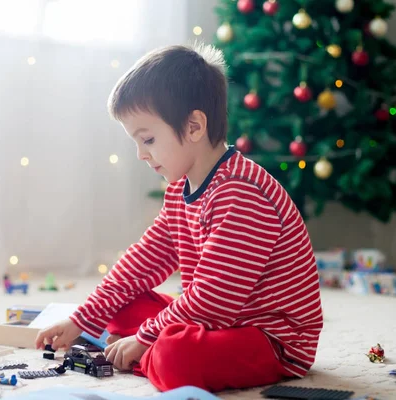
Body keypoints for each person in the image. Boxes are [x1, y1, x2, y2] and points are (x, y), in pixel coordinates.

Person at [35, 43, 323, 392]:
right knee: (120, 306)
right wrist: (82, 318)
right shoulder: (179, 190)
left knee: (174, 356)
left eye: (149, 139)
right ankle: (150, 351)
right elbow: (142, 262)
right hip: (217, 320)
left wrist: (145, 338)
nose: (141, 154)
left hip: (269, 339)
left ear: (194, 126)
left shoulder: (242, 193)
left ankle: (152, 355)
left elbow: (212, 299)